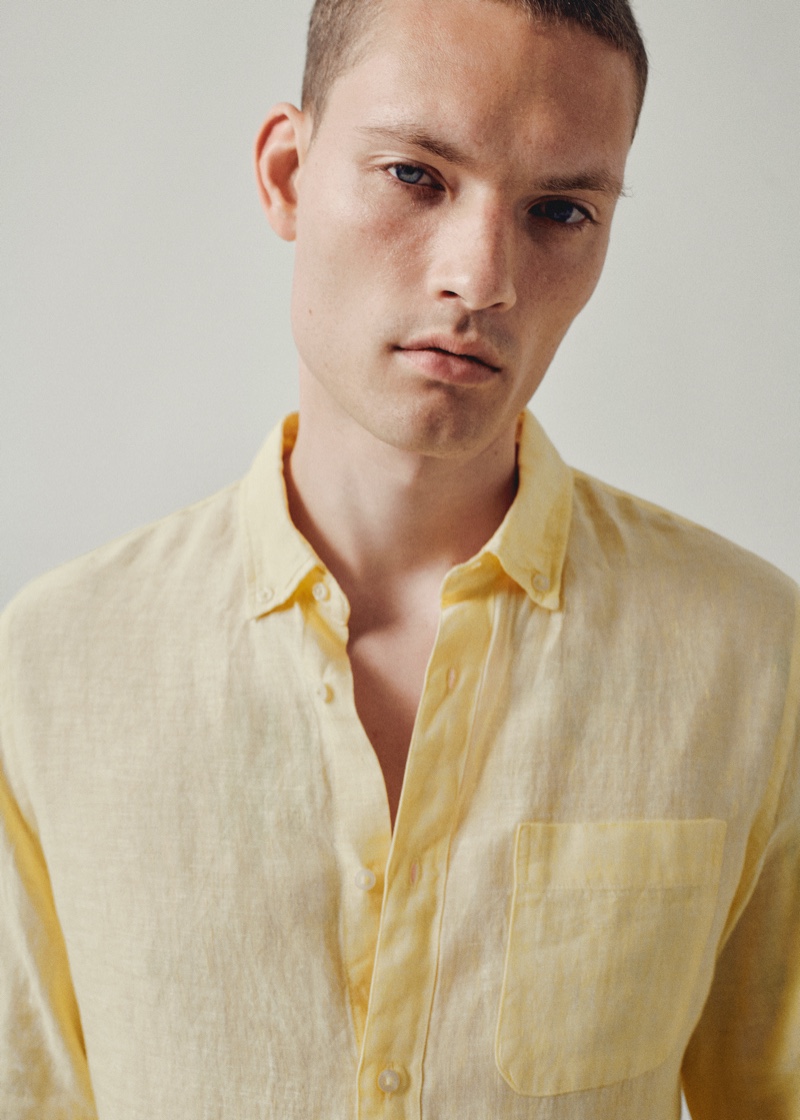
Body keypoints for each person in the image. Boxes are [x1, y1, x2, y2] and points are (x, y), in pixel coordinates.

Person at [1, 0, 797, 1116]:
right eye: (416, 176)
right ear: (286, 171)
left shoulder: (754, 659)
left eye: (559, 209)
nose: (482, 279)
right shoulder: (51, 666)